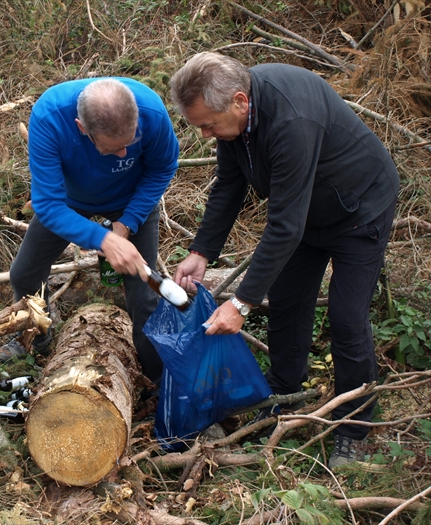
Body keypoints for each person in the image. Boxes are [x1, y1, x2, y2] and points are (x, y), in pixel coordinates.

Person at [169, 52, 399, 468]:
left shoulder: (291, 119)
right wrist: (202, 251)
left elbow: (284, 226)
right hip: (307, 214)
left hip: (358, 210)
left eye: (208, 124)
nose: (204, 134)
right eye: (198, 125)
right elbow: (229, 186)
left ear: (239, 100)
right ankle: (283, 391)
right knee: (288, 302)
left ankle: (354, 425)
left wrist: (241, 303)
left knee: (347, 318)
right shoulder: (236, 123)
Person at [0, 77, 180, 385]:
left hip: (131, 200)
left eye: (129, 143)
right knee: (24, 275)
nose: (124, 154)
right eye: (113, 147)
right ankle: (37, 338)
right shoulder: (49, 117)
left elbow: (163, 167)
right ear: (83, 128)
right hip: (70, 203)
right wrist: (104, 239)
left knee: (143, 295)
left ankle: (158, 381)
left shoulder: (151, 111)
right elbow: (49, 205)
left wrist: (128, 222)